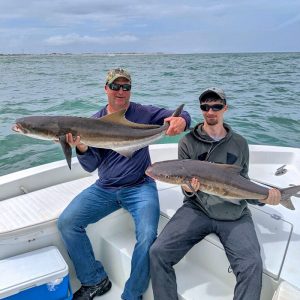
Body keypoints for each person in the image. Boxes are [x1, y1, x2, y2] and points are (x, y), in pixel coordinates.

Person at [57, 68, 191, 300]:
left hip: (140, 186)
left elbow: (183, 116)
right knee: (67, 223)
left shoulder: (143, 112)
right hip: (105, 188)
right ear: (106, 88)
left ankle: (132, 294)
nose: (121, 91)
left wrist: (181, 121)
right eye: (116, 86)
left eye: (126, 87)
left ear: (130, 90)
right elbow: (90, 166)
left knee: (148, 235)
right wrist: (81, 147)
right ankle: (94, 280)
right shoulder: (93, 122)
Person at [149, 87, 281, 300]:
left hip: (234, 213)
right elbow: (186, 188)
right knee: (158, 253)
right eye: (205, 106)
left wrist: (267, 198)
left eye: (216, 106)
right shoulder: (187, 142)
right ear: (201, 109)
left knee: (252, 265)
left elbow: (243, 183)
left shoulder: (239, 143)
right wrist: (187, 189)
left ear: (225, 108)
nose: (210, 111)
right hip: (197, 209)